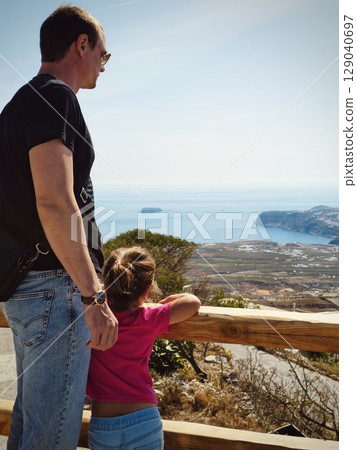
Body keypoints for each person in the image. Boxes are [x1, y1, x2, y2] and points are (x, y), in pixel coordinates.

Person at [0, 5, 118, 449]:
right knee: (49, 439)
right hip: (56, 290)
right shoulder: (56, 96)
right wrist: (94, 295)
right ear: (81, 44)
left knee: (29, 430)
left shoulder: (18, 103)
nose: (103, 67)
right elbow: (53, 201)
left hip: (28, 291)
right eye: (104, 56)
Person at [86, 246, 201, 450]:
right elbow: (192, 303)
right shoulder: (149, 318)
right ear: (147, 290)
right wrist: (165, 302)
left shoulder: (92, 319)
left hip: (103, 424)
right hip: (144, 420)